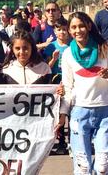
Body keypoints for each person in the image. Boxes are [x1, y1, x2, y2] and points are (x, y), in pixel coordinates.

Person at [58, 12, 108, 175]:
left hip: (104, 112)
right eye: (73, 27)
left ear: (88, 26)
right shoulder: (67, 54)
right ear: (69, 30)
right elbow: (68, 86)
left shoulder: (105, 48)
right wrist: (63, 113)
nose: (77, 30)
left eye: (81, 26)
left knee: (101, 167)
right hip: (79, 112)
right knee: (83, 167)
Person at [42, 17, 71, 155]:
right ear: (54, 31)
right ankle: (61, 142)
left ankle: (72, 141)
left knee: (71, 112)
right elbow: (46, 68)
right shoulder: (51, 46)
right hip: (56, 83)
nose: (62, 32)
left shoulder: (74, 45)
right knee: (59, 114)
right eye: (59, 30)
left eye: (65, 30)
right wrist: (53, 59)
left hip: (71, 83)